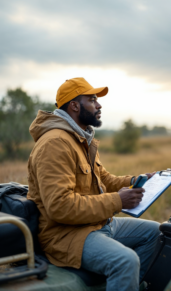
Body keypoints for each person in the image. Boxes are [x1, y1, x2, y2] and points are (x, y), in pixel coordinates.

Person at [27, 77, 161, 291]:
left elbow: (104, 180)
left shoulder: (79, 138)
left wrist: (136, 180)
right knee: (125, 261)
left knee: (156, 232)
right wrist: (118, 201)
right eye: (92, 100)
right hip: (65, 235)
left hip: (95, 224)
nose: (99, 105)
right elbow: (60, 207)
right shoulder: (55, 144)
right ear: (74, 105)